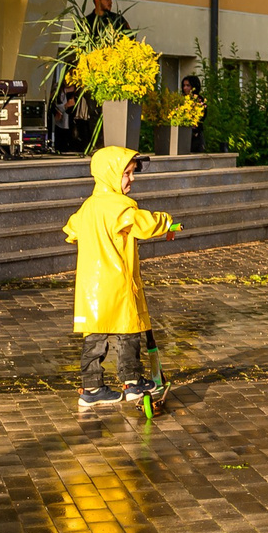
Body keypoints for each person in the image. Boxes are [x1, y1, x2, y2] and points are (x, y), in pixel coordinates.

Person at [63, 146, 180, 411]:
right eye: (127, 173)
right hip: (116, 281)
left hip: (92, 286)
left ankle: (92, 388)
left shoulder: (88, 206)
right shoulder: (120, 207)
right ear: (111, 175)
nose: (132, 178)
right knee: (128, 331)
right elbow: (146, 224)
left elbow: (72, 230)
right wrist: (167, 221)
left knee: (95, 336)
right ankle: (131, 381)